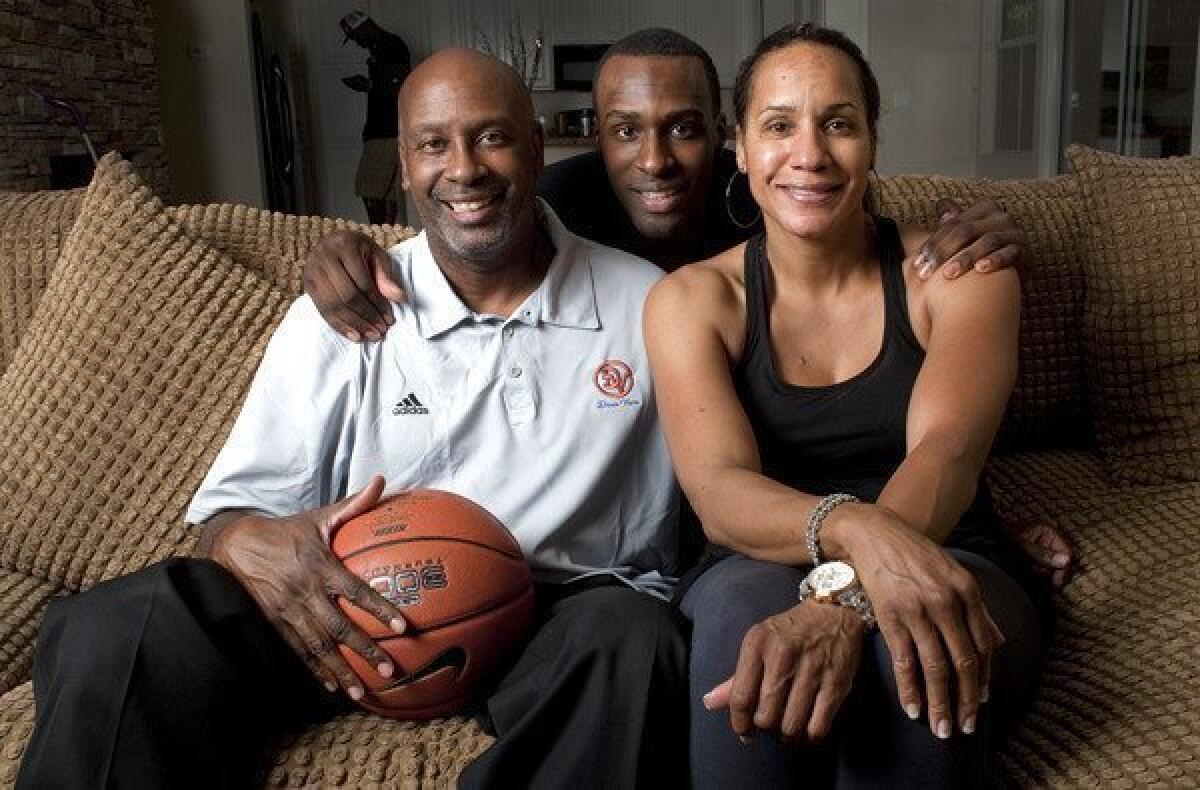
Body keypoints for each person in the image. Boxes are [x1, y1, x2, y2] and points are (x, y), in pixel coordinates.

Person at [18, 49, 687, 790]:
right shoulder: (342, 310)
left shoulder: (649, 304)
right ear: (403, 165)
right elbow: (230, 521)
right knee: (126, 623)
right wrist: (249, 541)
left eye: (491, 136)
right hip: (354, 604)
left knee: (633, 638)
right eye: (434, 144)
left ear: (535, 146)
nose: (463, 169)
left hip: (555, 612)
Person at [302, 29, 1075, 587]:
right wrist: (344, 248)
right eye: (623, 132)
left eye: (683, 129)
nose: (654, 160)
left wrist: (979, 514)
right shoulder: (558, 213)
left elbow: (905, 400)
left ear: (724, 137)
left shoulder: (783, 207)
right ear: (583, 142)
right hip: (691, 513)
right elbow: (455, 224)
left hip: (797, 510)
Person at [643, 23, 1044, 788]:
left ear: (873, 140)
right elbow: (721, 493)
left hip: (950, 550)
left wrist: (849, 602)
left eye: (838, 123)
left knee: (914, 639)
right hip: (758, 561)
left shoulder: (963, 276)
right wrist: (849, 526)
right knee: (744, 628)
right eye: (779, 125)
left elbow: (947, 454)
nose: (810, 154)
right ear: (740, 146)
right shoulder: (692, 300)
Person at [341, 12, 411, 224]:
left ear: (366, 27)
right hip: (384, 131)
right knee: (385, 193)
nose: (356, 42)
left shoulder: (392, 46)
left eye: (355, 36)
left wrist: (368, 85)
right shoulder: (379, 48)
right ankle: (385, 240)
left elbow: (402, 85)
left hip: (385, 133)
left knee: (370, 190)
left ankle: (380, 238)